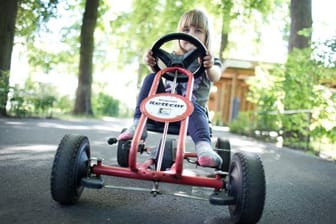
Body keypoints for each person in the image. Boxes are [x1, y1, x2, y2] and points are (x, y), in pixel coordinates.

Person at [118, 9, 223, 168]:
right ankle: (138, 124)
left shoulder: (209, 59)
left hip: (191, 115)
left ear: (206, 36)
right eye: (186, 30)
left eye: (198, 31)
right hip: (162, 108)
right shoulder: (170, 57)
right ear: (179, 34)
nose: (191, 34)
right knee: (151, 77)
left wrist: (209, 66)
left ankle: (204, 149)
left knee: (192, 107)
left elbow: (215, 75)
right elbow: (158, 73)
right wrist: (151, 61)